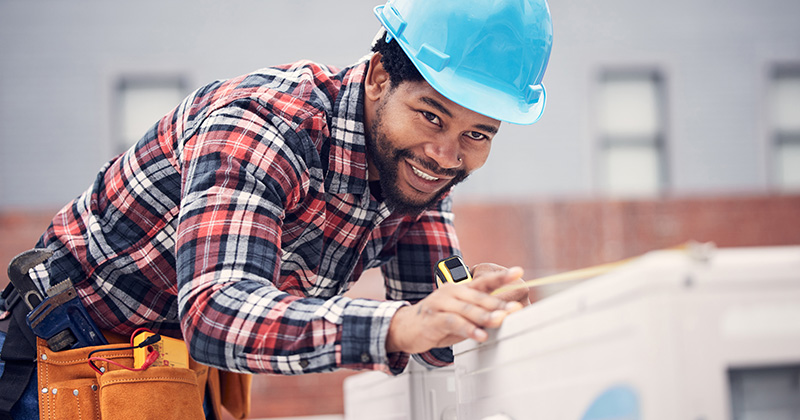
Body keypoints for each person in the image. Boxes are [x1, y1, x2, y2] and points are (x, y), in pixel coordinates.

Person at [0, 0, 553, 417]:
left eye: (478, 134)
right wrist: (402, 326)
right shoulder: (264, 127)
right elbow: (216, 314)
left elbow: (427, 329)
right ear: (380, 78)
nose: (447, 156)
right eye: (431, 116)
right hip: (62, 360)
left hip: (168, 372)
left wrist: (469, 310)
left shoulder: (419, 170)